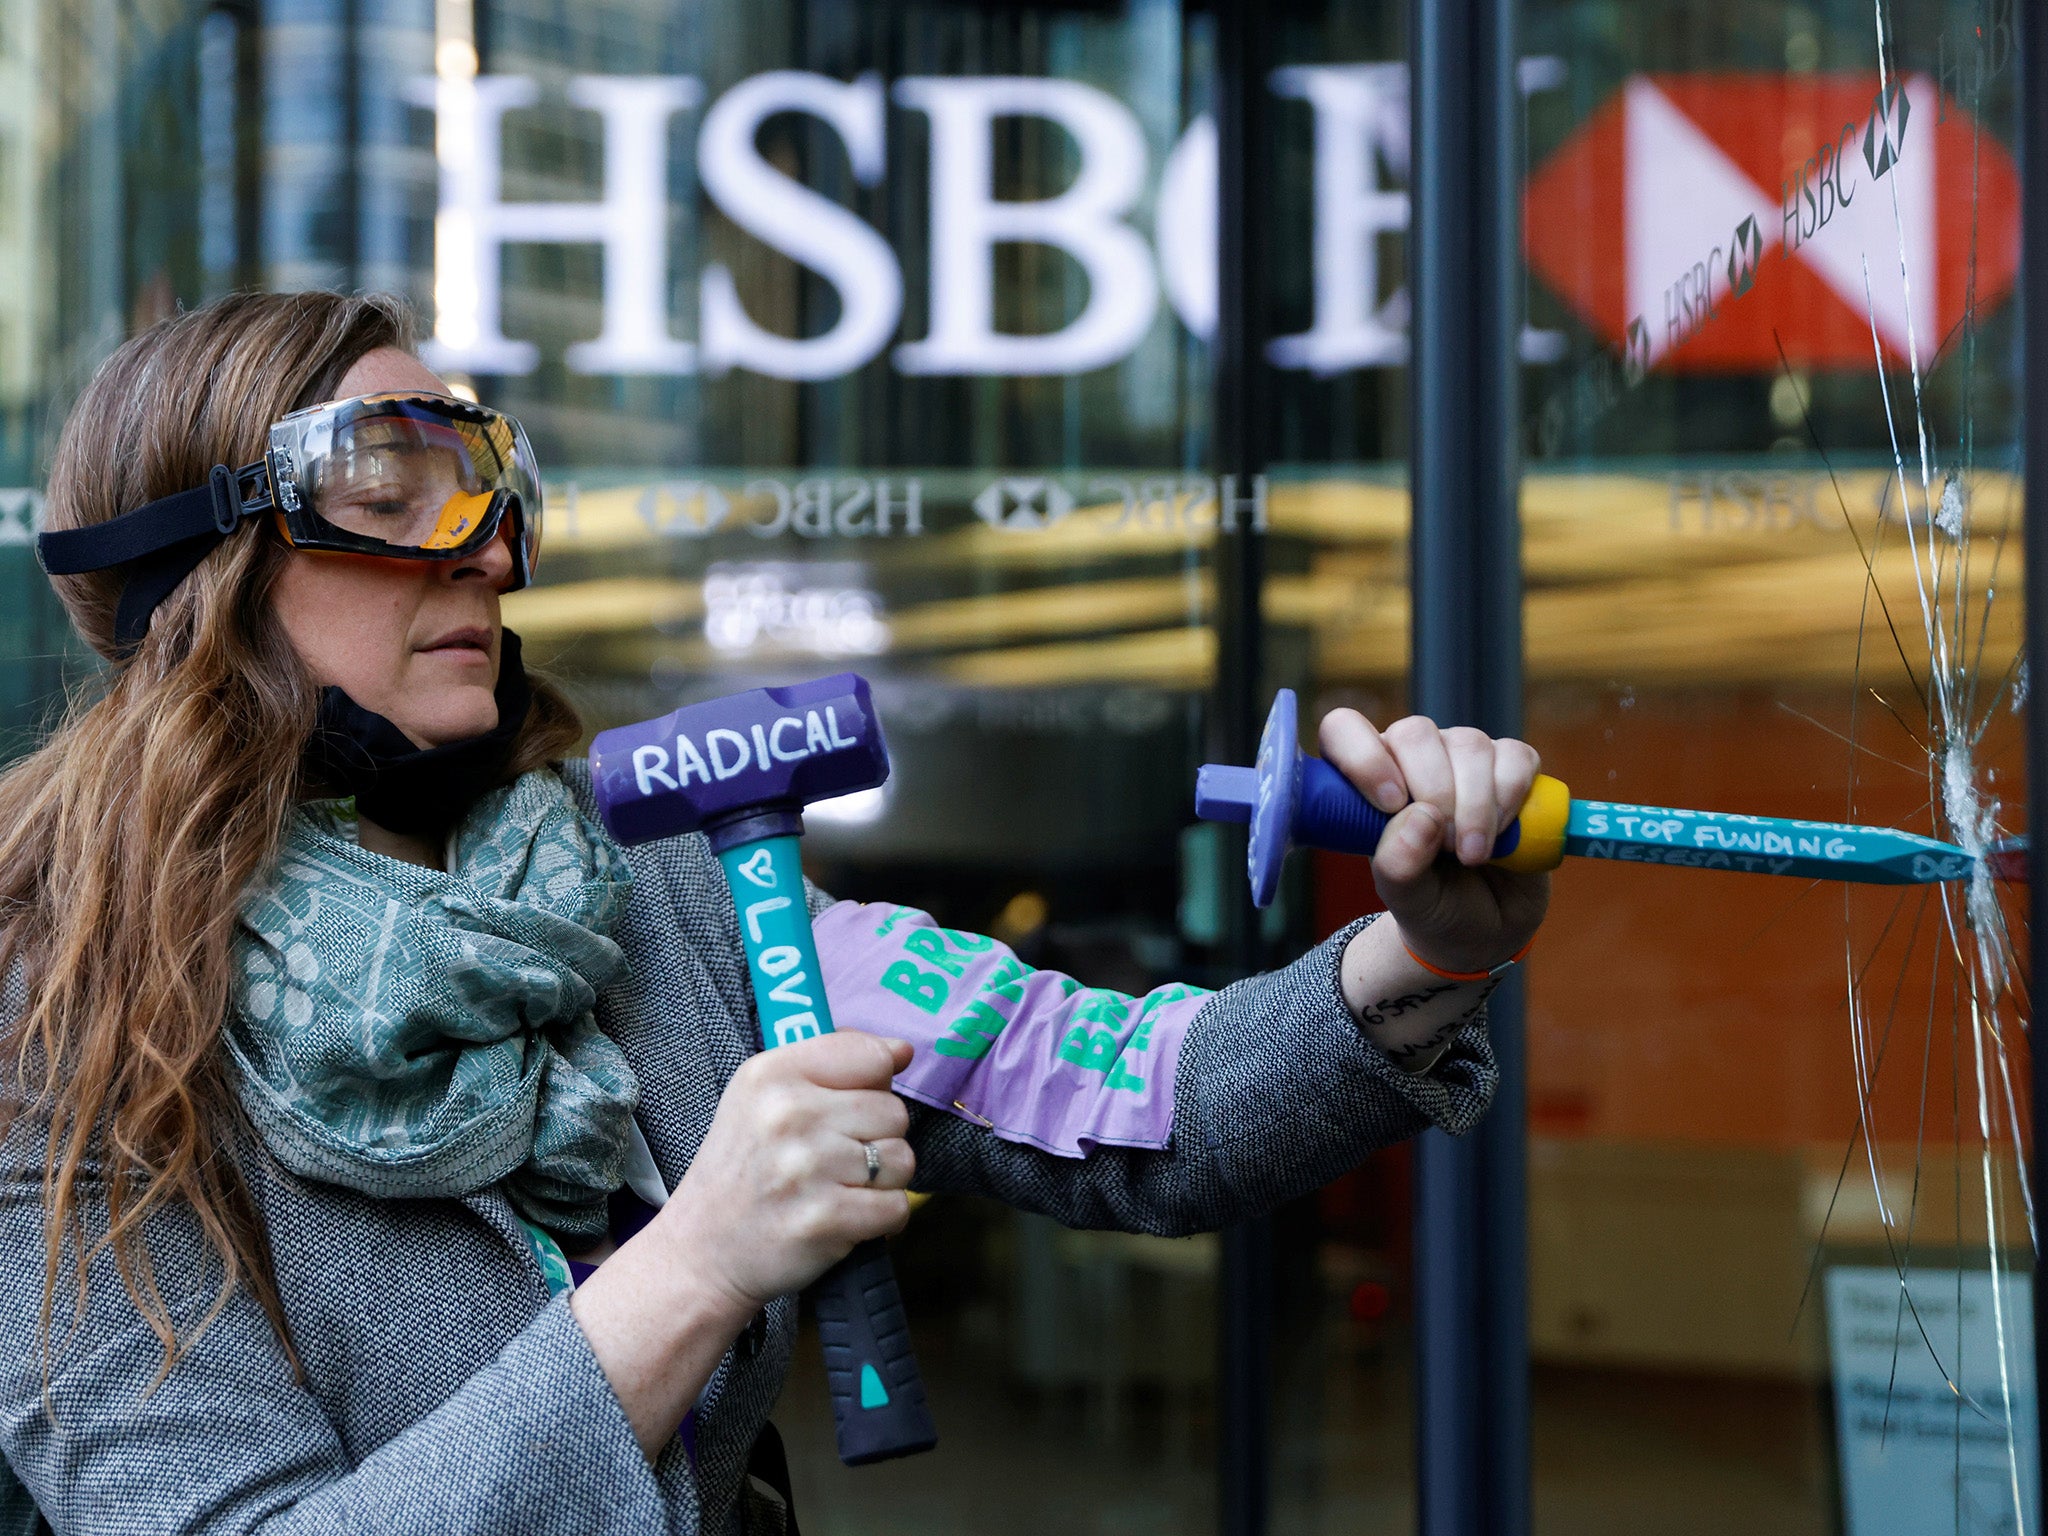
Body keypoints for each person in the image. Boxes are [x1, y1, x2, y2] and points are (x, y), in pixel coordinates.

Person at [0, 291, 1547, 1535]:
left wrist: (1426, 952)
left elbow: (1142, 1099)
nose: (485, 547)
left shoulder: (660, 889)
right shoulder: (56, 1032)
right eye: (389, 491)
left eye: (493, 492)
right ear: (194, 570)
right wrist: (702, 1259)